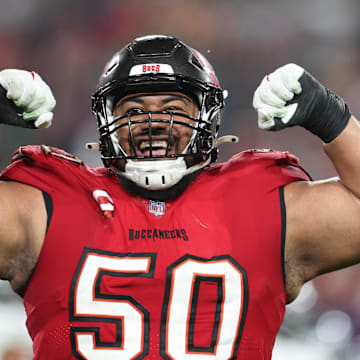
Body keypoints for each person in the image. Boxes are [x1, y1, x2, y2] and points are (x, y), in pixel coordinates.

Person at [0, 34, 358, 360]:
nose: (153, 122)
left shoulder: (259, 204)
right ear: (106, 120)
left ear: (208, 116)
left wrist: (328, 113)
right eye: (134, 111)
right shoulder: (50, 204)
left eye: (172, 109)